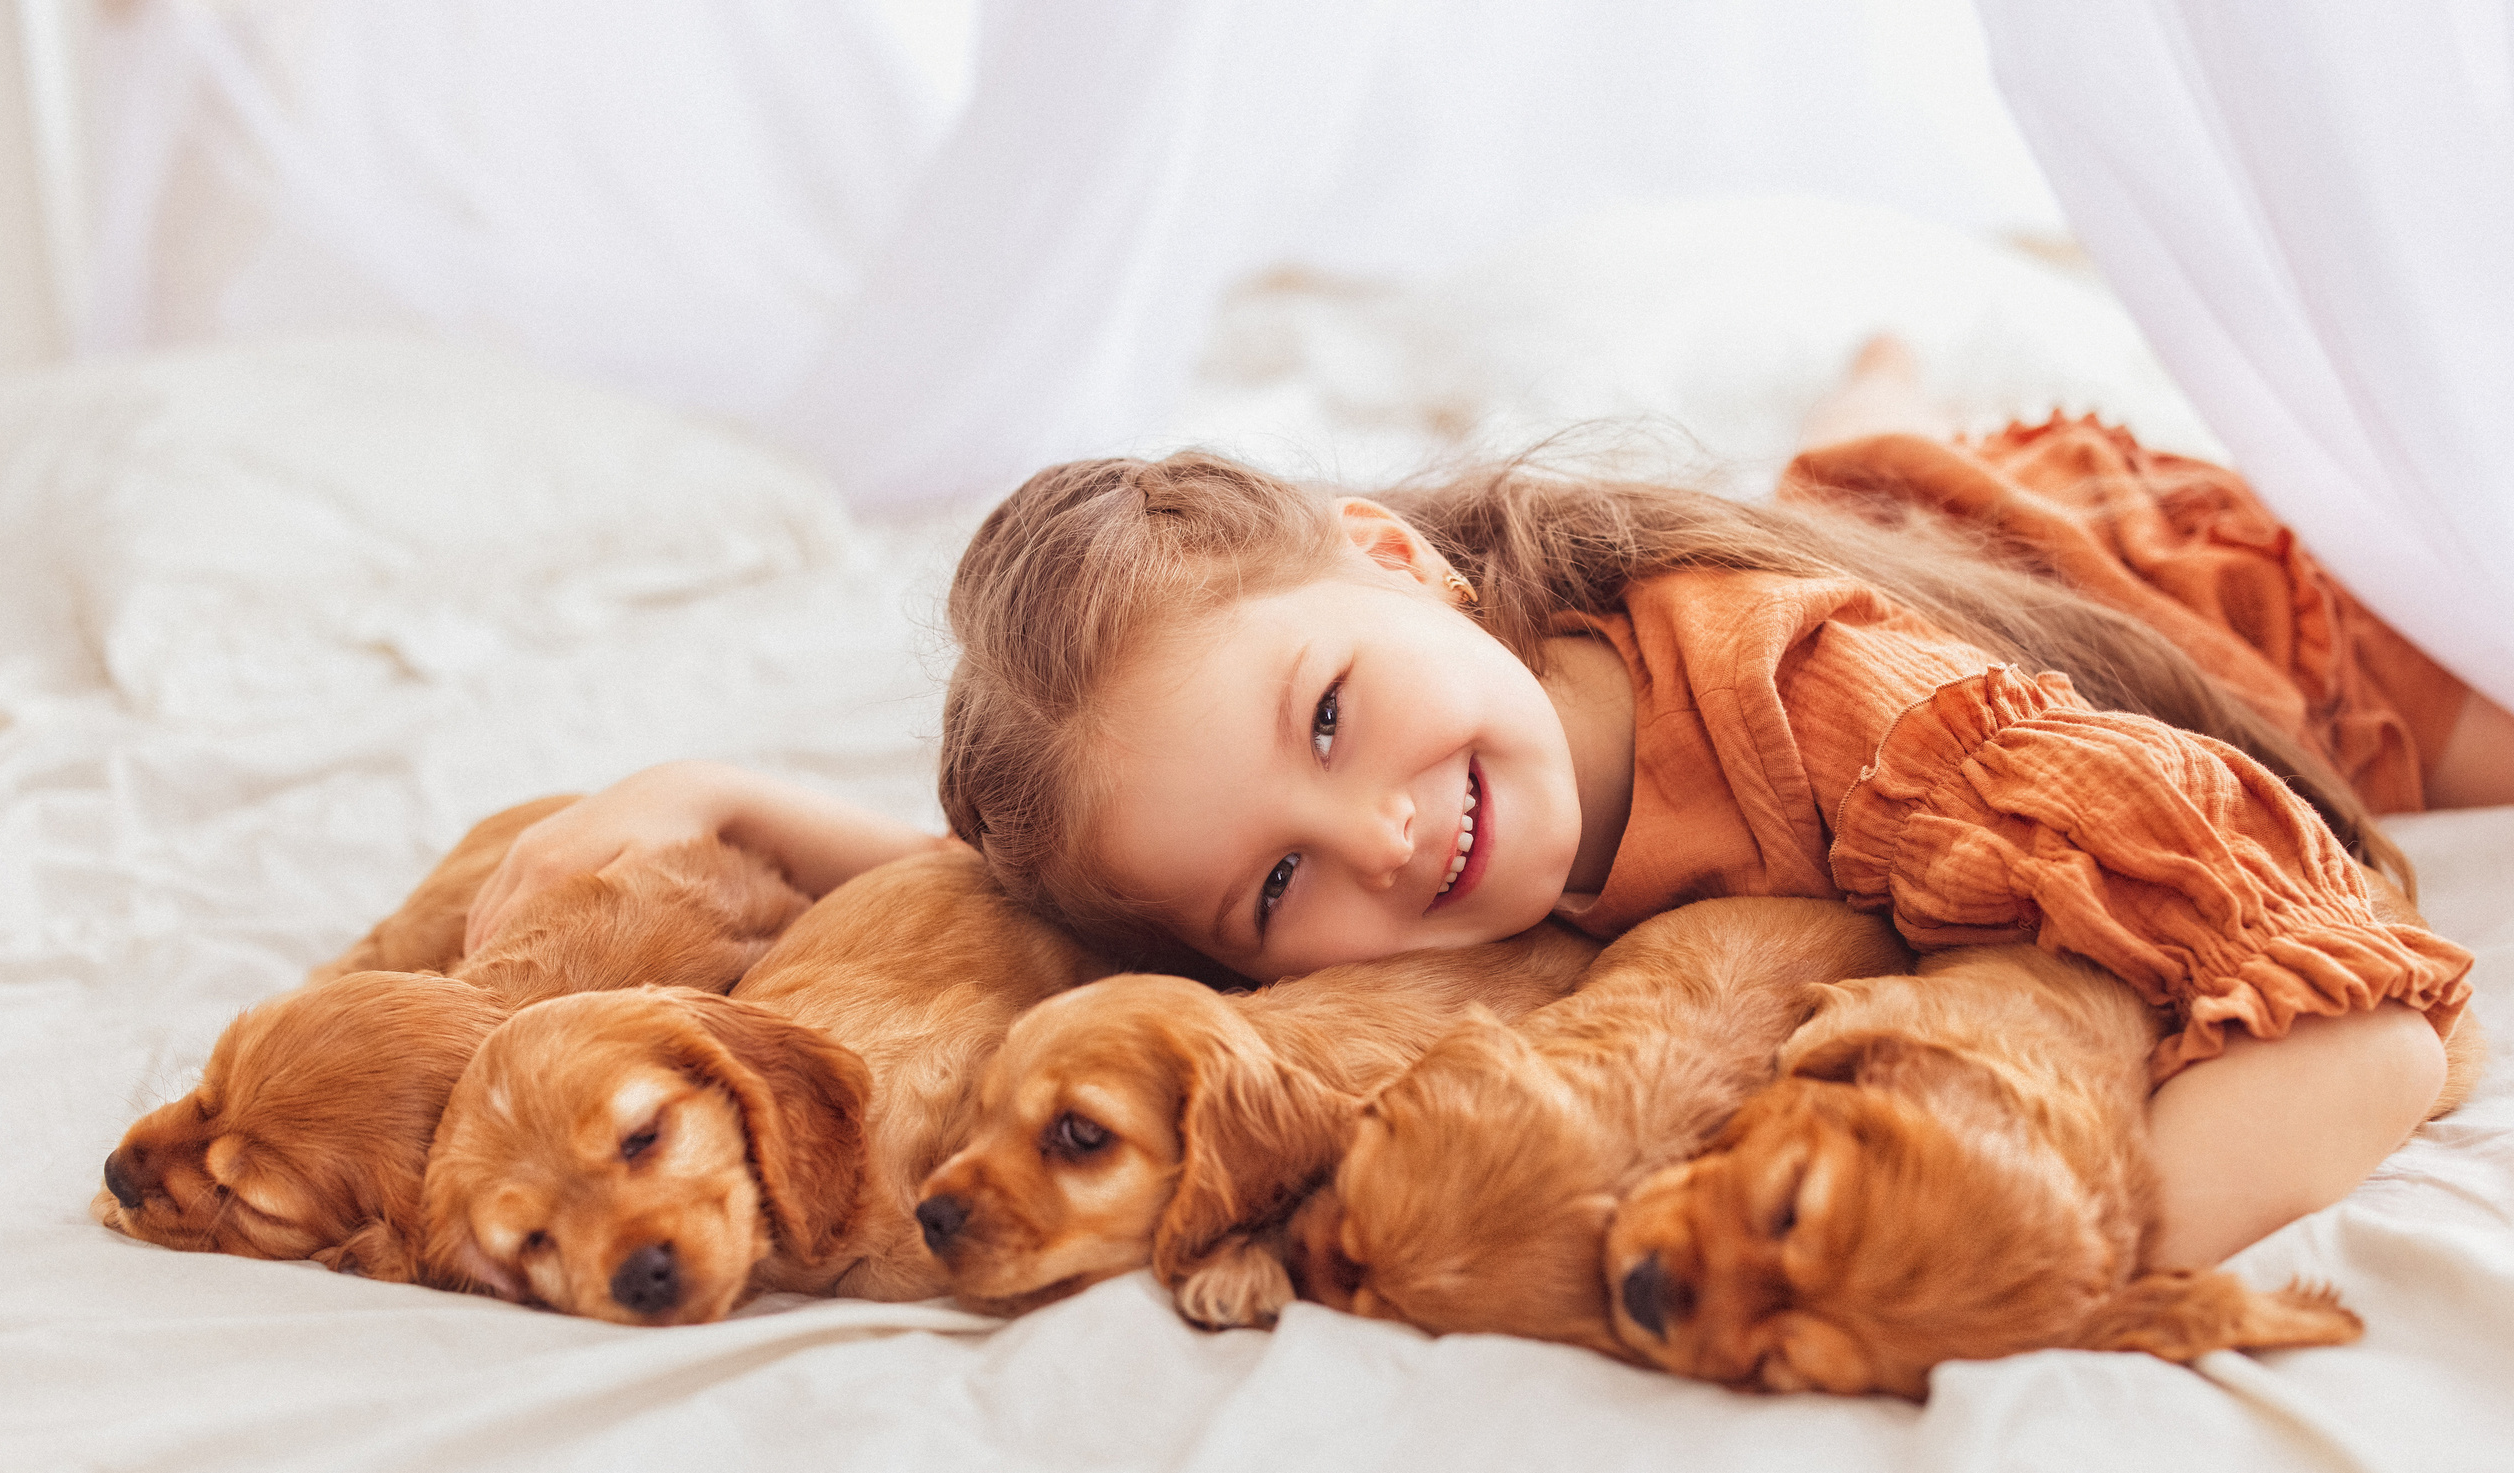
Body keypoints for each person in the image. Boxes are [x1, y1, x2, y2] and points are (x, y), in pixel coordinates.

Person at [463, 339, 2512, 1273]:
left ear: (1401, 556)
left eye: (1335, 707)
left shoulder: (1836, 707)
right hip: (1844, 550)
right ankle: (1850, 432)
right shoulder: (1384, 852)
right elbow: (1070, 922)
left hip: (2256, 590)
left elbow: (2353, 984)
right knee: (1837, 482)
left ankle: (1877, 433)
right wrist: (723, 789)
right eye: (1275, 881)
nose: (1375, 840)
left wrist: (2057, 1245)